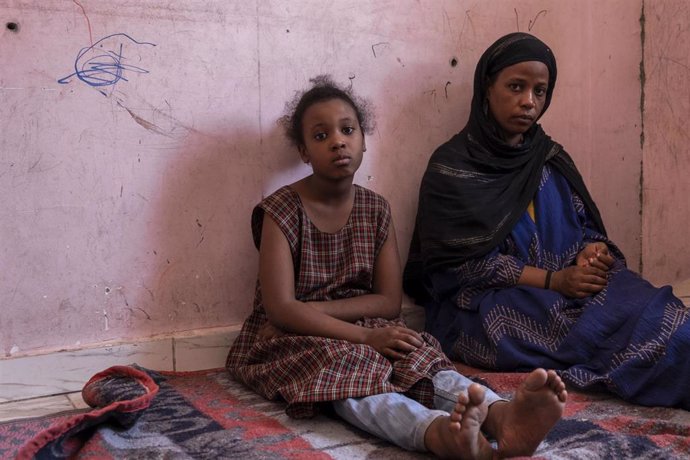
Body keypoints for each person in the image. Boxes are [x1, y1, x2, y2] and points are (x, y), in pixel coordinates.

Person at [226, 75, 567, 459]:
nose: (338, 141)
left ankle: (502, 415)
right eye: (320, 137)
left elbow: (388, 302)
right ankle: (440, 434)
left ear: (363, 140)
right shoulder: (281, 210)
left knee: (417, 354)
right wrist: (360, 337)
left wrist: (361, 330)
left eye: (347, 130)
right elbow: (281, 311)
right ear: (304, 152)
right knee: (349, 371)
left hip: (354, 322)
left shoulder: (375, 209)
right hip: (294, 337)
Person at [404, 32, 690, 410]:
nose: (529, 102)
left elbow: (585, 227)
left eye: (540, 91)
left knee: (645, 303)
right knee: (585, 327)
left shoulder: (548, 157)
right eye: (516, 87)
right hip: (489, 303)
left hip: (568, 281)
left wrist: (593, 253)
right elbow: (458, 269)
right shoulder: (452, 168)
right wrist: (555, 281)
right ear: (487, 87)